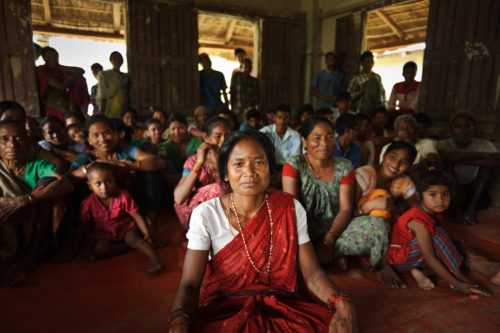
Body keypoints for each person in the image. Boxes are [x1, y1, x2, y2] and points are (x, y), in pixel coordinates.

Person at [169, 130, 357, 332]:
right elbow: (189, 284)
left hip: (283, 306)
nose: (249, 172)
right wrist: (179, 322)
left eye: (259, 162)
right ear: (225, 173)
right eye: (238, 164)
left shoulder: (289, 208)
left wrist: (342, 303)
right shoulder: (206, 214)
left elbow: (312, 274)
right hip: (225, 309)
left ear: (271, 170)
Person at [282, 117, 396, 283]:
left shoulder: (344, 167)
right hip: (302, 230)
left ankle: (369, 262)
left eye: (329, 137)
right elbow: (291, 208)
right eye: (317, 138)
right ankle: (331, 255)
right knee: (282, 242)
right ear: (304, 141)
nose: (325, 143)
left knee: (379, 225)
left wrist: (329, 240)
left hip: (336, 228)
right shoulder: (294, 164)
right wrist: (306, 240)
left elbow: (345, 209)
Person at [387, 169, 491, 296]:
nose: (440, 200)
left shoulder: (432, 212)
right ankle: (458, 278)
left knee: (452, 246)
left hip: (415, 257)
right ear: (419, 196)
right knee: (437, 234)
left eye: (445, 194)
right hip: (401, 260)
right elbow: (430, 257)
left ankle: (417, 271)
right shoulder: (417, 221)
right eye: (432, 194)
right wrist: (459, 284)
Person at [69, 115, 167, 244]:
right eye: (96, 135)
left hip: (131, 203)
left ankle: (149, 222)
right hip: (104, 210)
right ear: (89, 140)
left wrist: (131, 165)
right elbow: (69, 178)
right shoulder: (86, 159)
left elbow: (158, 163)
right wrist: (92, 167)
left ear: (114, 134)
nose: (103, 139)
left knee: (150, 174)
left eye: (106, 133)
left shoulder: (125, 151)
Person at [0, 120, 73, 285]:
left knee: (47, 187)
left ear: (27, 141)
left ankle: (31, 254)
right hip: (4, 217)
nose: (12, 144)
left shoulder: (38, 165)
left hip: (30, 219)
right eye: (4, 139)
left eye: (18, 138)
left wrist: (27, 199)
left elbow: (65, 184)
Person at [355, 140, 419, 288]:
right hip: (356, 225)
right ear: (384, 155)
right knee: (381, 196)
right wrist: (370, 205)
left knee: (408, 221)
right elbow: (346, 212)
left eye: (404, 162)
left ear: (409, 167)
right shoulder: (365, 173)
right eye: (393, 157)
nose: (396, 165)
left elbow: (417, 210)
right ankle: (379, 262)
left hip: (382, 228)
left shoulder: (403, 181)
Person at [80, 162, 164, 273]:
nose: (104, 187)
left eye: (108, 182)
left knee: (136, 240)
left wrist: (146, 233)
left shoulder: (123, 196)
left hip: (126, 228)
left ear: (115, 181)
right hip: (104, 234)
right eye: (98, 184)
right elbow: (84, 225)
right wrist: (87, 247)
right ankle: (128, 246)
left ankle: (156, 260)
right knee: (100, 251)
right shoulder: (87, 204)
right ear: (90, 186)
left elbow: (136, 214)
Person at [437, 111, 499, 224]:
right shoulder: (444, 144)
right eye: (458, 126)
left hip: (475, 190)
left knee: (486, 167)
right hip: (453, 189)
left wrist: (458, 157)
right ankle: (457, 211)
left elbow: (496, 161)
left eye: (467, 126)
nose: (463, 130)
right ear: (452, 130)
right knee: (448, 165)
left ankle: (472, 208)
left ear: (473, 129)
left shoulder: (483, 144)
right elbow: (446, 156)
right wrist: (481, 155)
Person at [173, 117, 231, 229]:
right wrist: (199, 163)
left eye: (227, 136)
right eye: (218, 136)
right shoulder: (193, 161)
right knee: (217, 188)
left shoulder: (232, 159)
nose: (223, 140)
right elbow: (179, 198)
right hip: (193, 215)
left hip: (221, 213)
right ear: (206, 137)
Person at [37, 47, 90, 120]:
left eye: (56, 56)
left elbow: (81, 71)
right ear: (45, 58)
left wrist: (59, 66)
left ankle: (83, 110)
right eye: (50, 56)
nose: (54, 58)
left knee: (81, 79)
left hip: (67, 99)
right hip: (52, 102)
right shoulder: (41, 70)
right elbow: (60, 86)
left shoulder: (60, 70)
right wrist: (73, 77)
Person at [97, 51, 130, 118]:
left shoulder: (126, 76)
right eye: (115, 59)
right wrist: (102, 112)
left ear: (122, 61)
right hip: (110, 109)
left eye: (120, 59)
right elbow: (102, 94)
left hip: (124, 109)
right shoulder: (105, 75)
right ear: (110, 60)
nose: (117, 61)